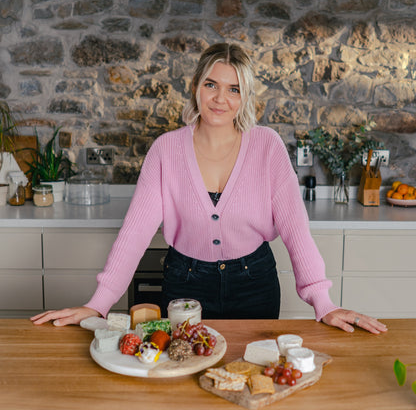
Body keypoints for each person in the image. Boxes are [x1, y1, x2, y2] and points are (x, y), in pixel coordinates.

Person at [31, 43, 387, 335]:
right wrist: (98, 304)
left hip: (255, 283)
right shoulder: (166, 150)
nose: (220, 98)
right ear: (196, 86)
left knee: (248, 378)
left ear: (245, 96)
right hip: (185, 285)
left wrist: (323, 302)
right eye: (211, 84)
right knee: (182, 376)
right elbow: (134, 234)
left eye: (234, 89)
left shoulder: (268, 146)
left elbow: (296, 230)